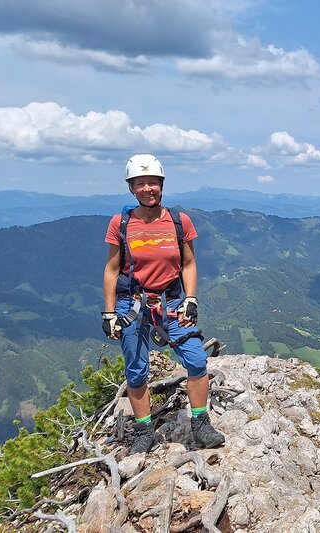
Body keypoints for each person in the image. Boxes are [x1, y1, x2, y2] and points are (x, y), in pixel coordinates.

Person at [101, 154, 225, 454]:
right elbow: (112, 269)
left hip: (172, 302)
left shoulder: (179, 222)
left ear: (161, 186)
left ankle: (200, 424)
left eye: (152, 183)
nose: (147, 189)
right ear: (132, 188)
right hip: (132, 305)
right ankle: (144, 431)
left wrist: (191, 298)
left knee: (196, 361)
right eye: (140, 183)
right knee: (136, 370)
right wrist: (108, 313)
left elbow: (189, 263)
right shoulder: (121, 223)